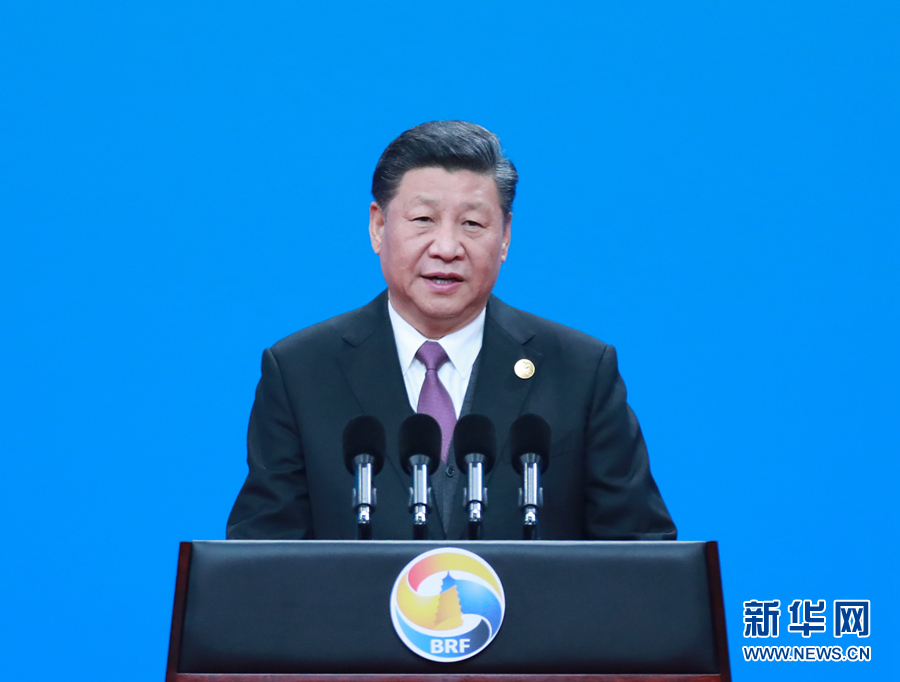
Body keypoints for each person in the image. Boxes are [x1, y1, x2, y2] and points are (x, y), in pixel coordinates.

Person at [227, 121, 676, 540]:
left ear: (505, 237)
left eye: (472, 224)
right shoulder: (301, 371)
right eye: (423, 220)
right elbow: (260, 562)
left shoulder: (579, 371)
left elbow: (642, 556)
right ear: (378, 227)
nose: (446, 248)